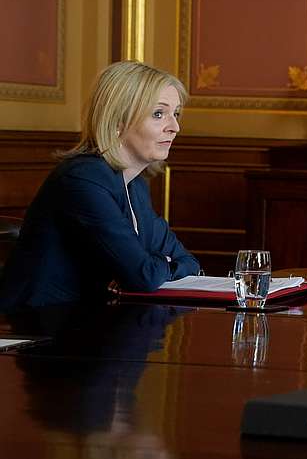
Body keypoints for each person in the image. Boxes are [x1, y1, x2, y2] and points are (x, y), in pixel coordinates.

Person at [0, 61, 201, 310]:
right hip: (35, 330)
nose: (175, 127)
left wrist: (156, 264)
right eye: (158, 114)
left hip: (86, 324)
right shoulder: (84, 179)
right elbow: (143, 276)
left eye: (176, 113)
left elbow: (188, 262)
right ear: (117, 122)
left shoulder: (135, 184)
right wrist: (159, 265)